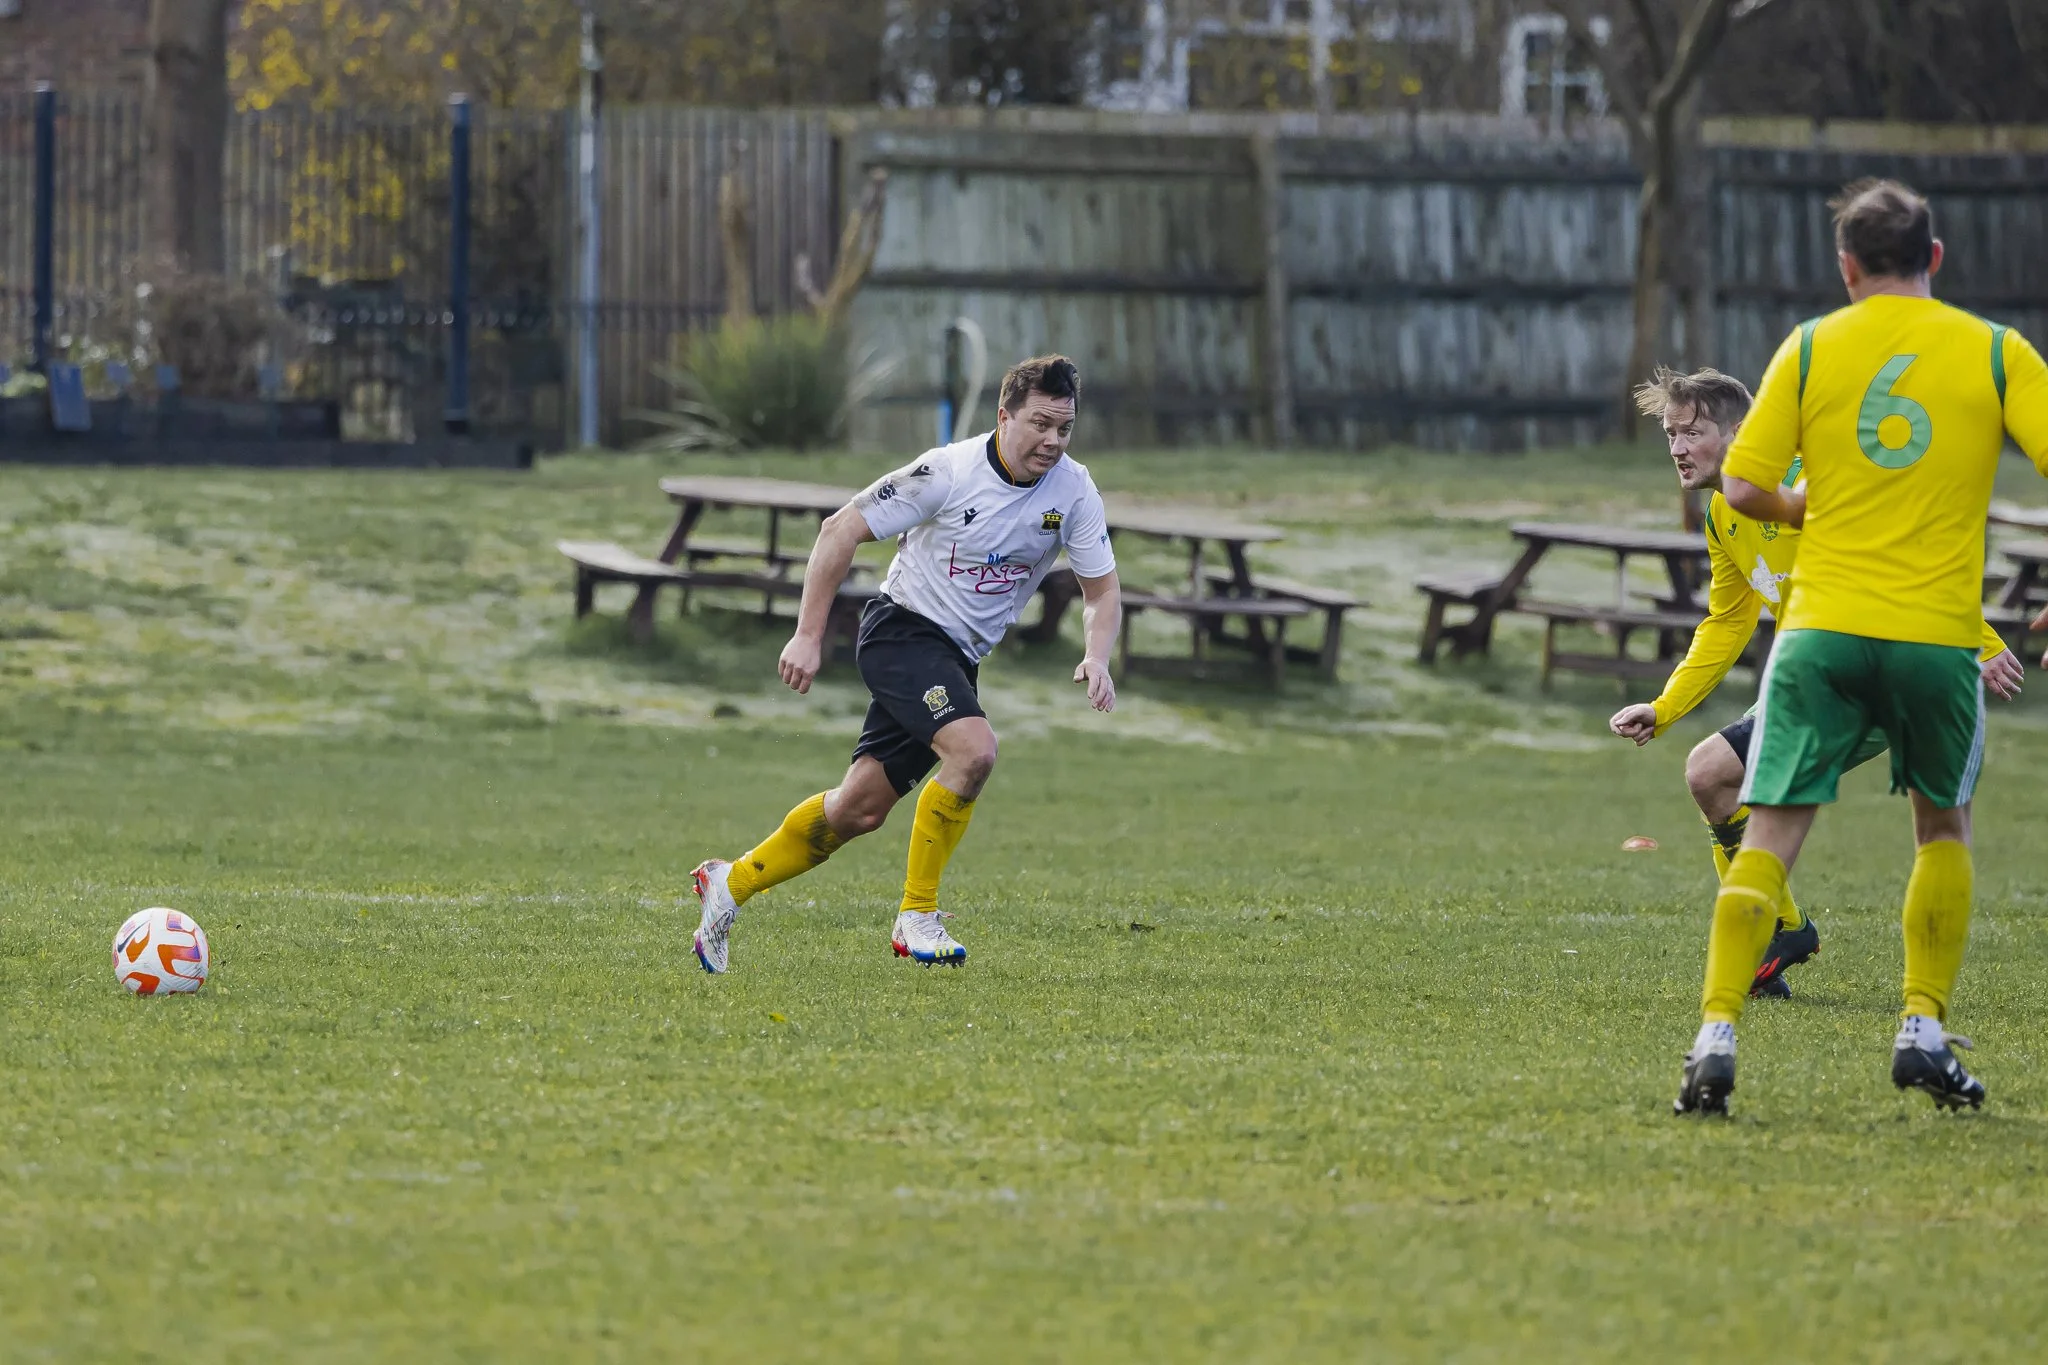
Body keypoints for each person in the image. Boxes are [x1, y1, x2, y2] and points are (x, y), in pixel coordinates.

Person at [1670, 179, 2048, 1117]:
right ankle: (1921, 1027)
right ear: (1936, 257)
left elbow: (1744, 487)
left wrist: (1807, 505)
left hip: (1821, 635)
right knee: (1942, 831)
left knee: (1768, 837)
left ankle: (1715, 1039)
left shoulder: (1808, 346)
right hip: (1933, 636)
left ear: (1846, 268)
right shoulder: (1998, 351)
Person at [688, 355, 1122, 974]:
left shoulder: (1074, 491)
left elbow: (1101, 590)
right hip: (902, 633)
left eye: (1065, 428)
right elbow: (839, 529)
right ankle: (917, 915)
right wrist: (807, 635)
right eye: (1041, 424)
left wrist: (1096, 655)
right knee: (974, 751)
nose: (1053, 441)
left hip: (956, 659)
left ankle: (730, 883)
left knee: (857, 811)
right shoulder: (946, 472)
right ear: (1004, 417)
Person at [1610, 367, 2021, 1000]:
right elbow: (1727, 622)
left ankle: (1781, 934)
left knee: (1715, 772)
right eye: (1671, 434)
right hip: (1814, 678)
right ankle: (1781, 935)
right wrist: (1664, 707)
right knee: (1711, 778)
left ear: (1738, 433)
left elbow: (1901, 554)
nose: (1678, 449)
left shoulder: (1805, 485)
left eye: (1692, 432)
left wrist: (1980, 642)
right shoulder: (1723, 514)